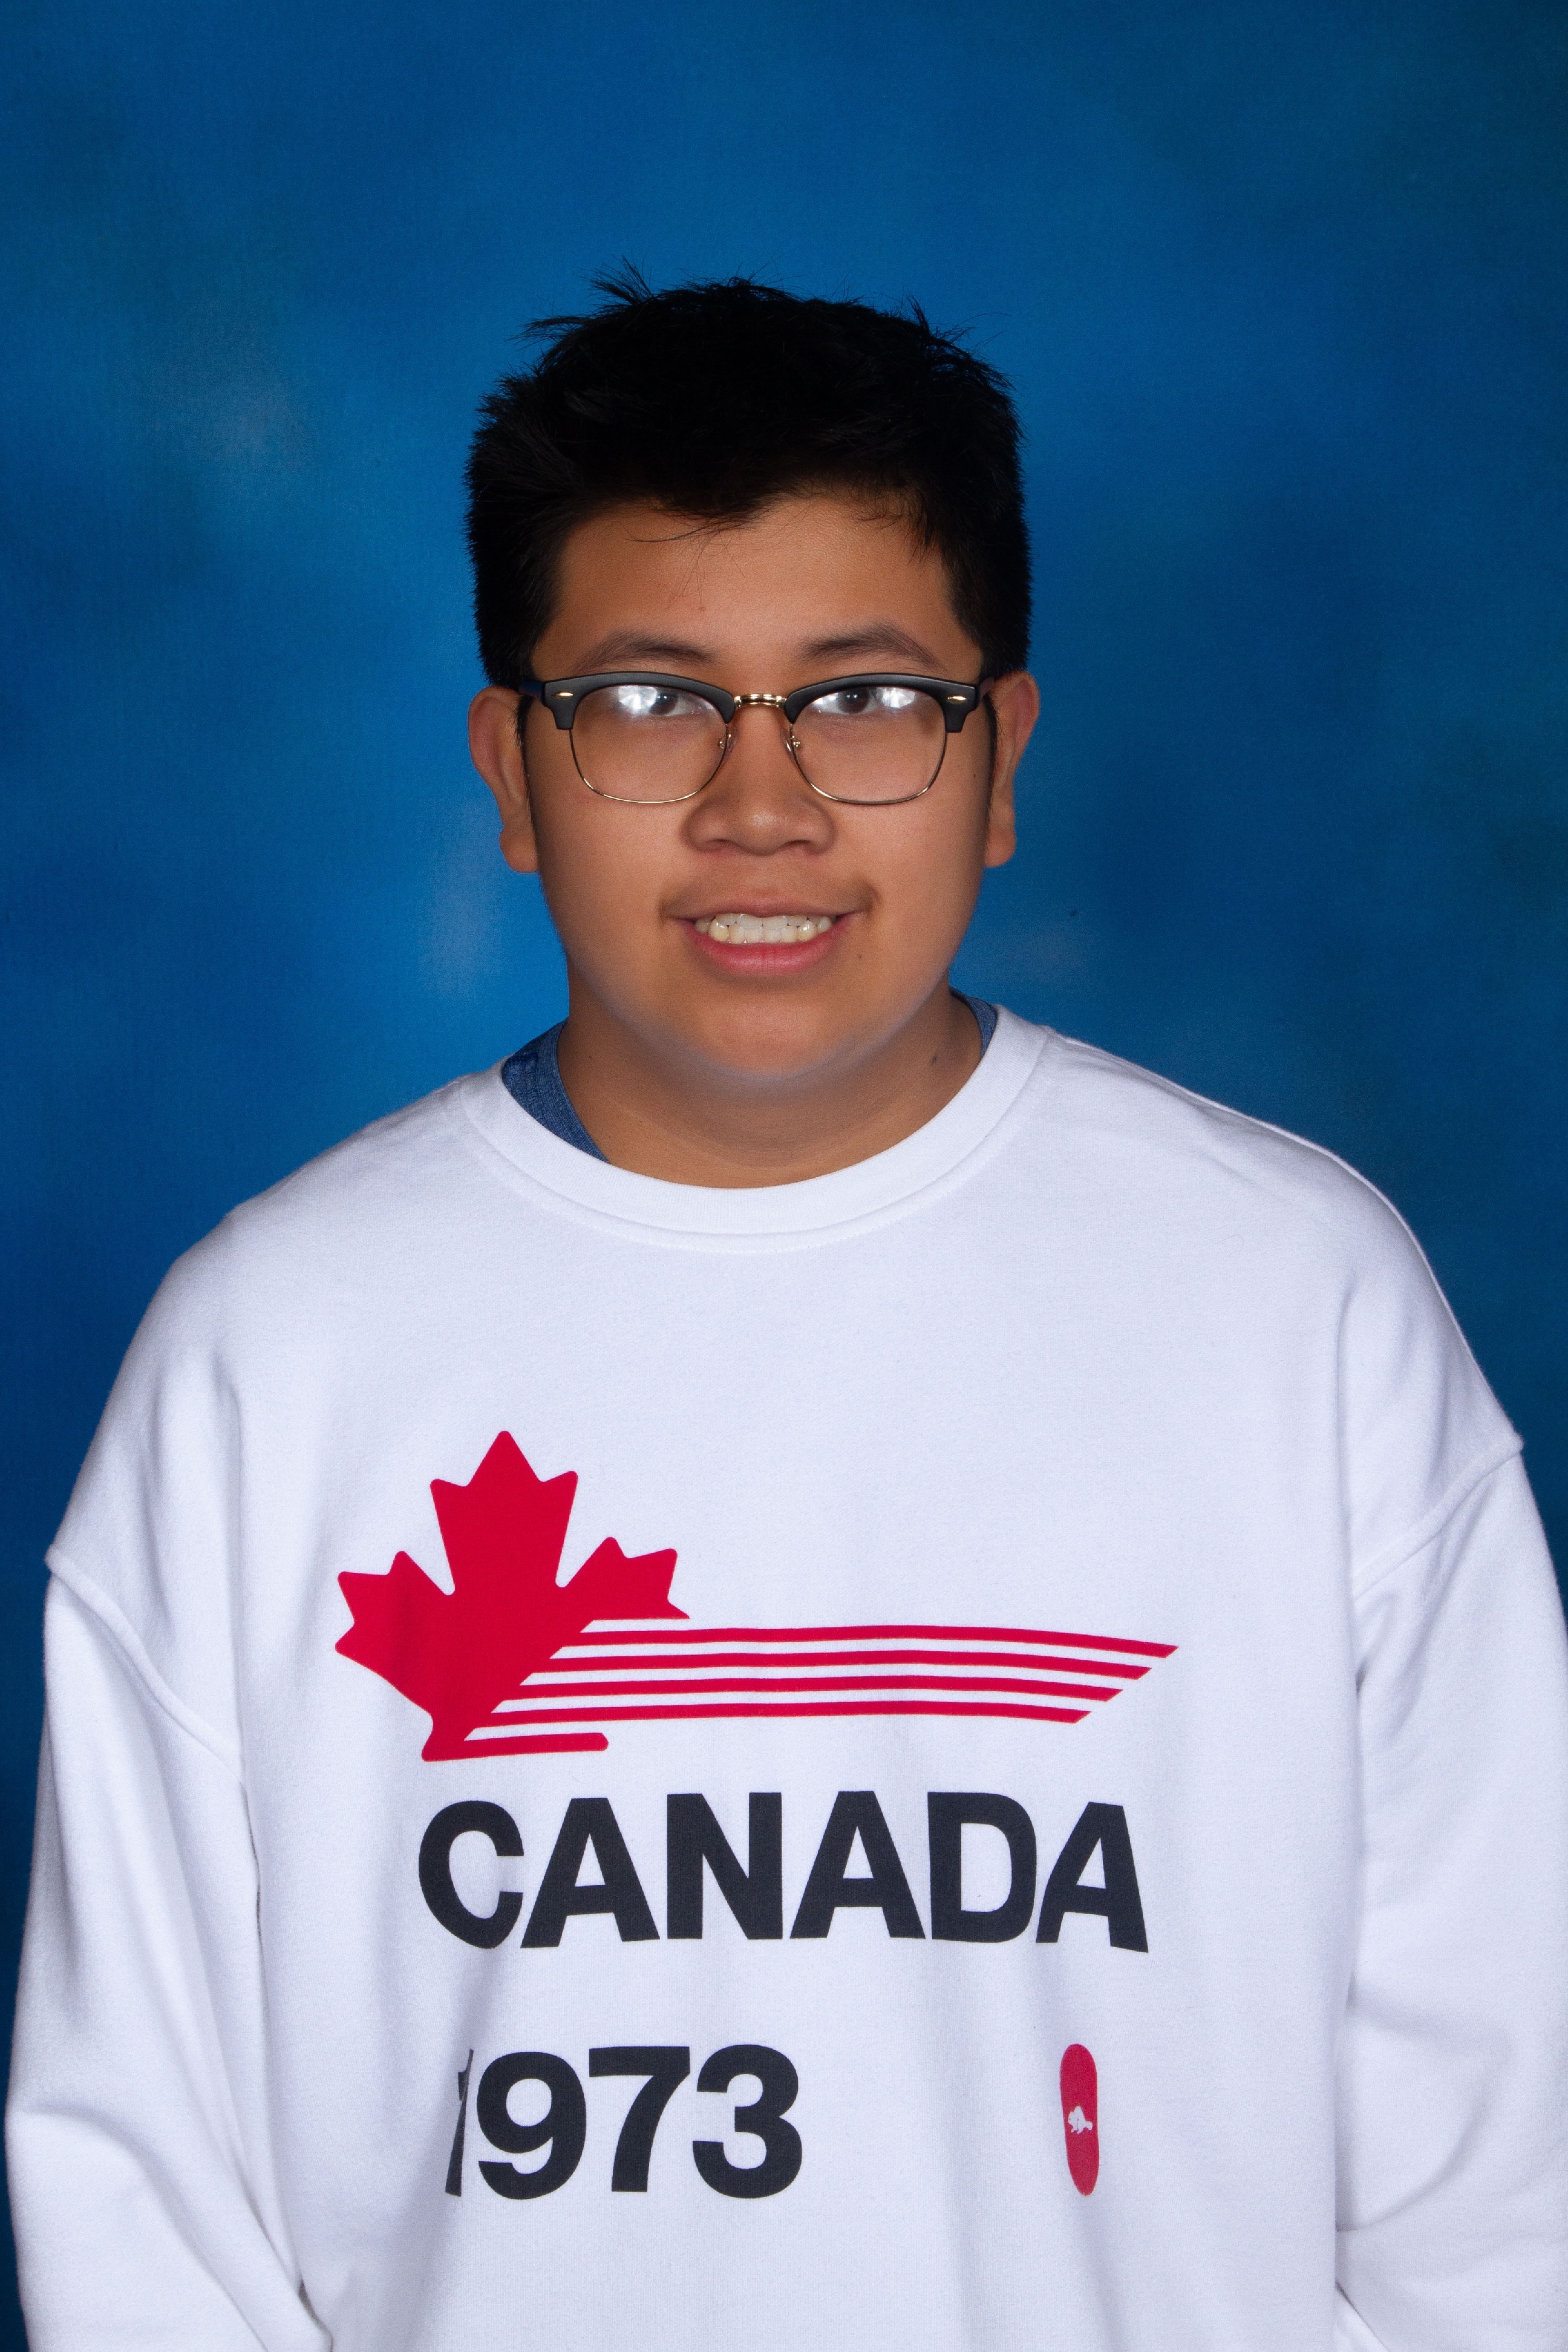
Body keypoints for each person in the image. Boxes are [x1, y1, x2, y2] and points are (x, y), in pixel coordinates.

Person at [8, 272, 1567, 2352]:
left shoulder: (1298, 1310)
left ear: (999, 761)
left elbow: (1499, 2191)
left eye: (868, 700)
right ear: (512, 769)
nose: (764, 806)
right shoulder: (269, 1361)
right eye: (651, 702)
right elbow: (144, 2216)